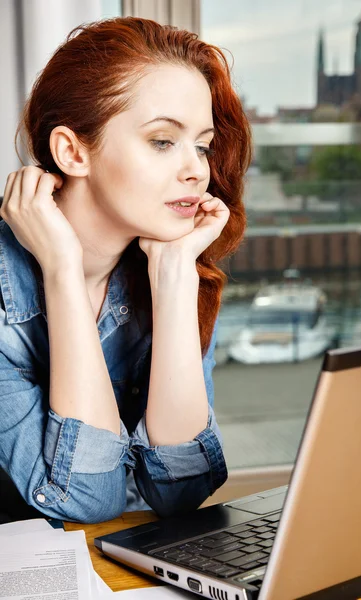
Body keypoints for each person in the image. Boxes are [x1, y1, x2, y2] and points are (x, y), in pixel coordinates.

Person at [0, 17, 252, 524]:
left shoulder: (170, 263)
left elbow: (181, 492)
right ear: (73, 152)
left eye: (201, 145)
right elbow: (87, 500)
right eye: (163, 141)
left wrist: (176, 276)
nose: (197, 170)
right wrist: (62, 271)